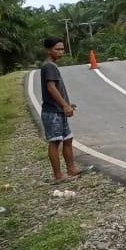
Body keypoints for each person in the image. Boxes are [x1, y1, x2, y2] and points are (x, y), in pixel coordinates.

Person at [40, 37, 83, 183]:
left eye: (62, 49)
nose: (61, 52)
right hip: (52, 112)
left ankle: (71, 169)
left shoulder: (51, 65)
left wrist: (67, 104)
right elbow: (51, 88)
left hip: (58, 110)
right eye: (57, 49)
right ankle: (58, 176)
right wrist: (65, 105)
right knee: (54, 141)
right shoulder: (49, 66)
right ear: (48, 50)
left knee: (68, 139)